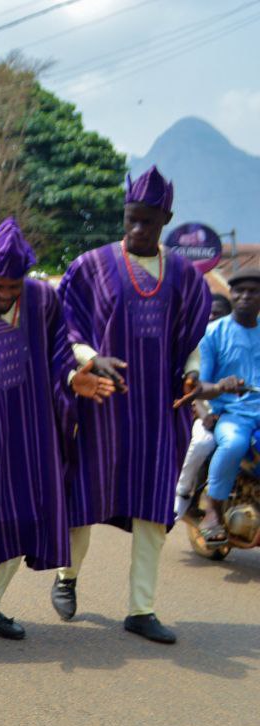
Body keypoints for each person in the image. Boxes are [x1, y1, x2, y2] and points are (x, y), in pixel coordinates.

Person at [0, 218, 114, 656]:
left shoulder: (45, 299)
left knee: (25, 518)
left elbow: (57, 356)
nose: (6, 294)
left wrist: (72, 379)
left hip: (32, 431)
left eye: (14, 285)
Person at [52, 166, 210, 644]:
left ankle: (141, 609)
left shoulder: (184, 274)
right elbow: (67, 328)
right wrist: (89, 358)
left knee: (152, 511)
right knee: (84, 499)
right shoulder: (91, 266)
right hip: (102, 409)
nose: (137, 228)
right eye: (130, 219)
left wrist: (193, 371)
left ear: (166, 218)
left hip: (157, 412)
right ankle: (66, 576)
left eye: (148, 220)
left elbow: (192, 339)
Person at [187, 268, 260, 541]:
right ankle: (213, 510)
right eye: (239, 291)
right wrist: (221, 386)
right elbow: (198, 386)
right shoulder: (213, 333)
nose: (245, 297)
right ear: (231, 294)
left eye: (253, 291)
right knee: (233, 443)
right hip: (231, 413)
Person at [173, 293, 233, 519]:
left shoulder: (236, 340)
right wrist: (205, 413)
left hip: (239, 414)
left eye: (217, 313)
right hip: (203, 412)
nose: (211, 317)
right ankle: (182, 493)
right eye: (208, 312)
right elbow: (195, 386)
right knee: (202, 442)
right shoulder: (198, 342)